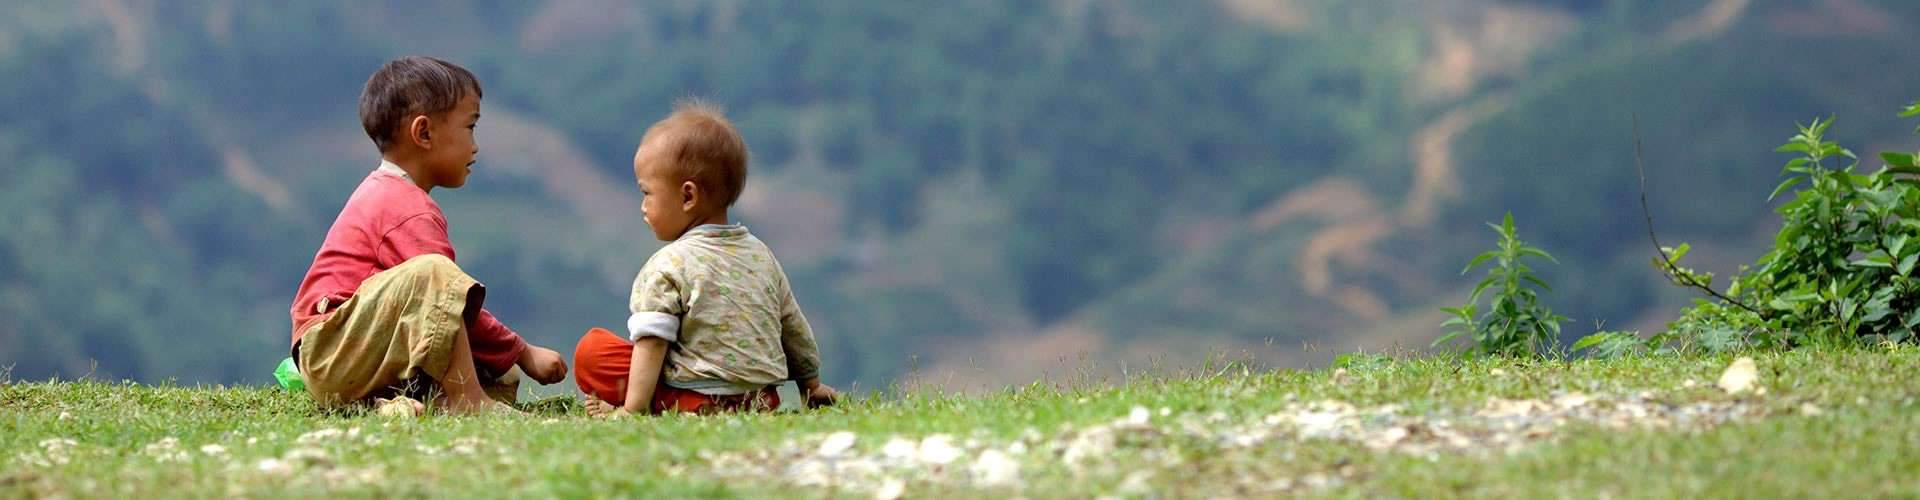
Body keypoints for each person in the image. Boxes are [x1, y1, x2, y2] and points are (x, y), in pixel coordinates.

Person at [287, 56, 568, 414]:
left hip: (345, 356)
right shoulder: (403, 205)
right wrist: (523, 351)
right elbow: (451, 301)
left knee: (501, 374)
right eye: (470, 128)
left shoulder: (387, 193)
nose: (476, 145)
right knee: (435, 273)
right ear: (423, 133)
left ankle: (389, 405)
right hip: (332, 348)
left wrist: (509, 359)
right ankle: (467, 402)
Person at [575, 101, 837, 416]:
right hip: (761, 402)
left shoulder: (668, 264)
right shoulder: (761, 255)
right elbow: (793, 326)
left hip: (695, 401)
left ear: (688, 196)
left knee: (593, 351)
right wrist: (811, 386)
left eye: (647, 193)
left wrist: (632, 410)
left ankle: (659, 406)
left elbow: (653, 341)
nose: (643, 206)